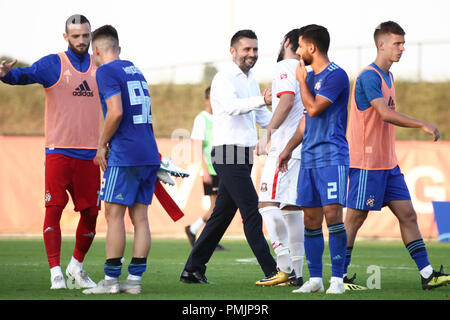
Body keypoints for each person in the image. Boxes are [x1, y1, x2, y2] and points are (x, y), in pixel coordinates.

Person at [344, 21, 450, 290]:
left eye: (403, 43)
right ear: (381, 44)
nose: (402, 48)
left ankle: (427, 275)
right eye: (397, 43)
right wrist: (421, 123)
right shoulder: (369, 76)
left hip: (388, 164)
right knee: (355, 220)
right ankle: (338, 277)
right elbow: (384, 114)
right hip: (366, 164)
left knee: (408, 215)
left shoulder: (389, 77)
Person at [0, 14, 100, 290]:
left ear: (90, 35)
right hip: (59, 151)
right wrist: (7, 75)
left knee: (92, 213)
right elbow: (25, 75)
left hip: (90, 154)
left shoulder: (99, 66)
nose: (82, 40)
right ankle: (55, 271)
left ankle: (76, 267)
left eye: (85, 35)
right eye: (76, 36)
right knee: (54, 208)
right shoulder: (54, 63)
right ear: (65, 37)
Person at [180, 29, 280, 285]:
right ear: (233, 51)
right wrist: (261, 99)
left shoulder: (251, 79)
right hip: (227, 153)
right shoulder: (223, 78)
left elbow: (260, 117)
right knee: (251, 210)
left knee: (221, 216)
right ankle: (272, 270)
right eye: (247, 49)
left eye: (255, 50)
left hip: (243, 155)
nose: (252, 54)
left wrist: (285, 121)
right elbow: (232, 107)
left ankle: (192, 270)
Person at [81, 25, 160, 295]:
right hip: (148, 152)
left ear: (97, 51)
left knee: (113, 216)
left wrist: (101, 144)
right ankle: (135, 282)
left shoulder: (105, 71)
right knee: (141, 218)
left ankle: (111, 280)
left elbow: (115, 112)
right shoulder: (135, 69)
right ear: (119, 49)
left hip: (125, 153)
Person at [278, 24, 350, 294]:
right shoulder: (308, 78)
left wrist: (299, 81)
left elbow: (315, 108)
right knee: (310, 218)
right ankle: (316, 279)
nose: (296, 52)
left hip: (332, 156)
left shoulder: (337, 76)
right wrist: (287, 149)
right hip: (308, 157)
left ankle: (338, 280)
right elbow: (305, 122)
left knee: (333, 215)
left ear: (312, 47)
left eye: (299, 46)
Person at [256, 28, 304, 286]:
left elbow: (286, 101)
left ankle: (283, 265)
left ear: (287, 43)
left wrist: (267, 135)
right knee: (291, 208)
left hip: (284, 148)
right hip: (300, 147)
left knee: (266, 204)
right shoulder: (305, 70)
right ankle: (297, 272)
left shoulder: (285, 65)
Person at [185, 86, 227, 251]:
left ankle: (195, 230)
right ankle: (204, 237)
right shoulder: (201, 119)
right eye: (211, 98)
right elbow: (197, 146)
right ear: (206, 99)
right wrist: (204, 171)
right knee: (216, 208)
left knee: (219, 207)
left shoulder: (220, 118)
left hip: (223, 167)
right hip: (211, 168)